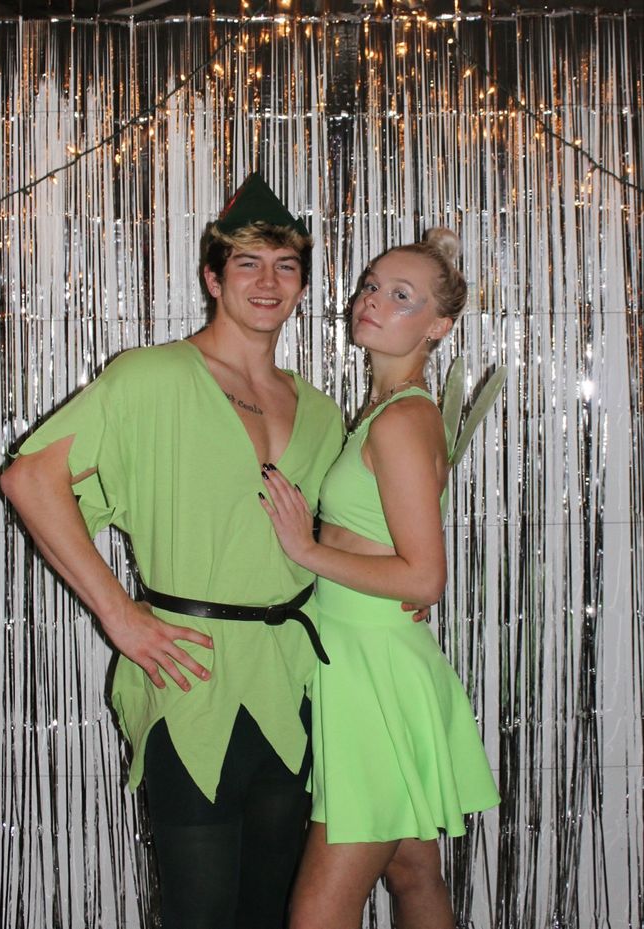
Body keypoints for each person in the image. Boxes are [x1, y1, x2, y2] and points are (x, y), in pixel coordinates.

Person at [0, 173, 346, 929]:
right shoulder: (150, 377)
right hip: (189, 672)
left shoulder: (319, 409)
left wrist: (398, 589)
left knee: (271, 906)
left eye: (285, 265)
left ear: (302, 285)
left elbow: (335, 538)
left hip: (293, 677)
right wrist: (119, 615)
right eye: (247, 263)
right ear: (212, 277)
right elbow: (31, 479)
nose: (267, 281)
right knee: (199, 911)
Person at [259, 228, 501, 929]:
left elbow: (423, 578)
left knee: (317, 913)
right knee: (412, 872)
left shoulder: (399, 421)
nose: (373, 300)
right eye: (370, 285)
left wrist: (304, 550)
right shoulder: (389, 412)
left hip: (371, 674)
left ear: (438, 326)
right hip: (372, 659)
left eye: (401, 296)